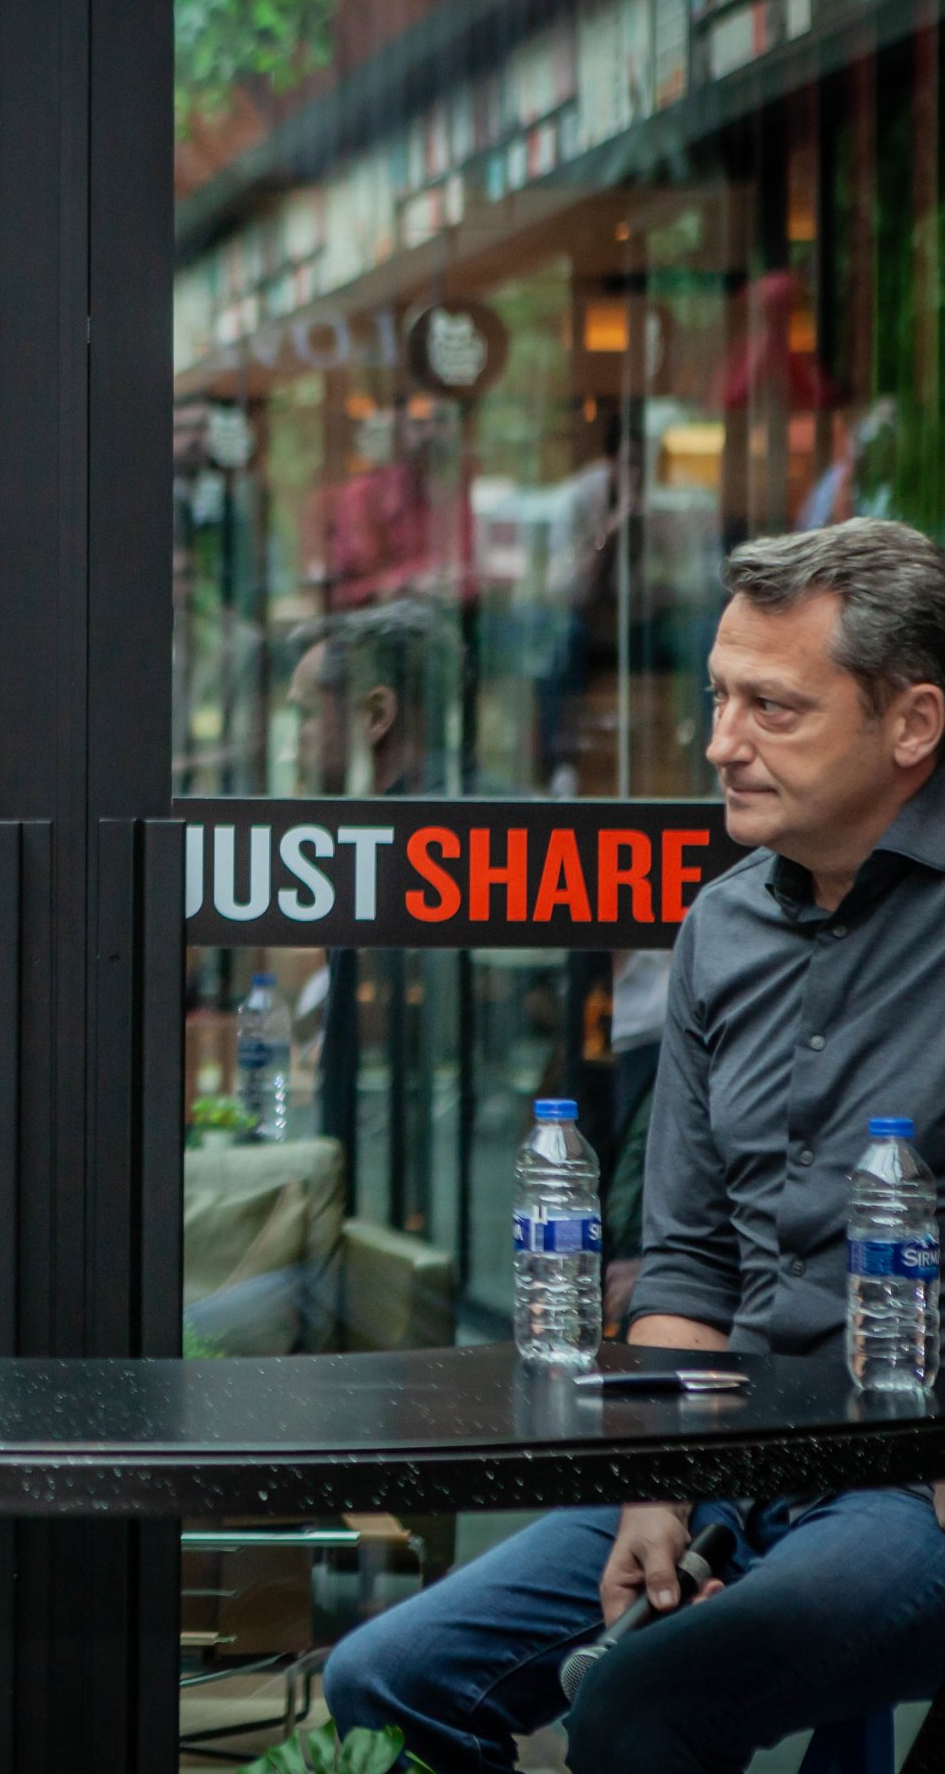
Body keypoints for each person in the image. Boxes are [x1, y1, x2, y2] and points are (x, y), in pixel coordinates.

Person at [323, 518, 945, 1773]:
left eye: (773, 706)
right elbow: (689, 1265)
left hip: (911, 1481)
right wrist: (655, 1487)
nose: (722, 743)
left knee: (643, 1703)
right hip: (722, 1452)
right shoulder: (720, 925)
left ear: (912, 725)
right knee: (382, 1678)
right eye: (719, 699)